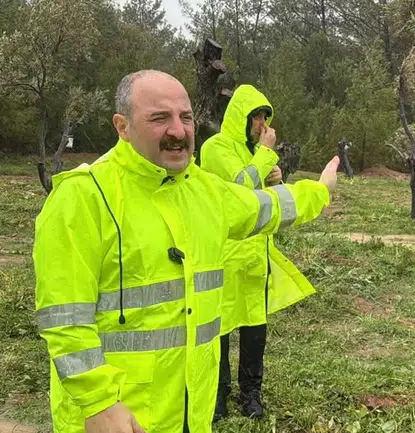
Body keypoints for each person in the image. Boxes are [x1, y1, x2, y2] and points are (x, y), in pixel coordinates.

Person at [33, 70, 340, 433]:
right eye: (159, 118)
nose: (178, 130)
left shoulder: (204, 192)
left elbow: (265, 207)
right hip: (116, 419)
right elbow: (64, 319)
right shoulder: (83, 198)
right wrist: (99, 402)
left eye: (186, 117)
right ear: (122, 126)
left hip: (192, 413)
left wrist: (320, 191)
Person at [199, 84, 312, 421]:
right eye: (257, 116)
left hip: (254, 261)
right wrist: (265, 157)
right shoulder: (215, 147)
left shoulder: (258, 154)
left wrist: (276, 180)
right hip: (223, 257)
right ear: (241, 117)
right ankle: (217, 394)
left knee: (254, 331)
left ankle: (251, 394)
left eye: (265, 116)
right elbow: (239, 189)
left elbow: (268, 205)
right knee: (217, 330)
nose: (263, 123)